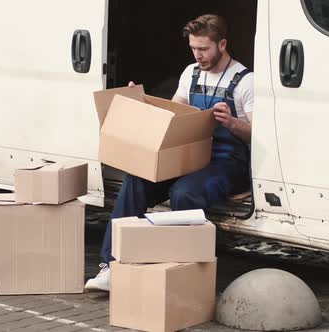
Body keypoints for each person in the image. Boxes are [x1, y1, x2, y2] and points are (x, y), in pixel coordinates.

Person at [85, 14, 254, 292]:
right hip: (188, 156)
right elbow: (171, 113)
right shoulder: (191, 73)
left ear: (222, 44)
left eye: (204, 49)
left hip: (227, 162)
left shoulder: (245, 81)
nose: (198, 55)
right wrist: (140, 101)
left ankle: (176, 272)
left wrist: (233, 123)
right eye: (193, 49)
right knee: (136, 179)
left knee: (184, 193)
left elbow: (258, 135)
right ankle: (111, 266)